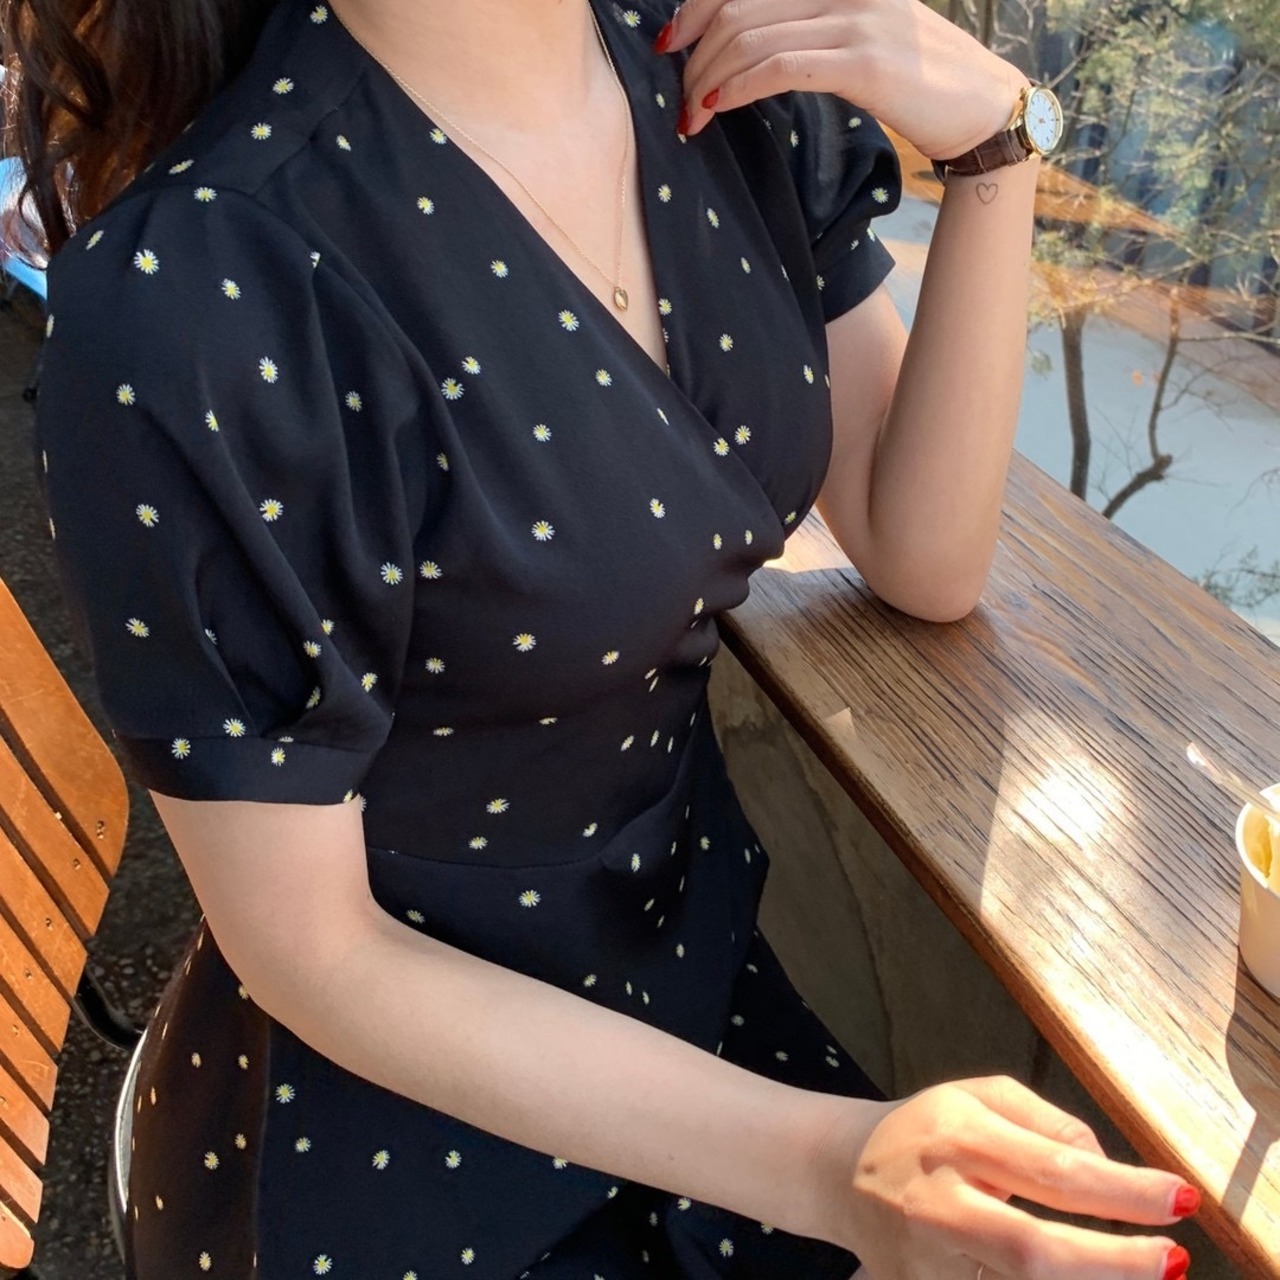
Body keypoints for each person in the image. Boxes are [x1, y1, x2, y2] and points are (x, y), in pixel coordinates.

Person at [9, 0, 1199, 1275]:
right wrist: (829, 1168)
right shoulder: (200, 288)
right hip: (385, 1128)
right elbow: (312, 949)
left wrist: (994, 151)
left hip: (690, 998)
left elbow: (922, 551)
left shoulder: (719, 68)